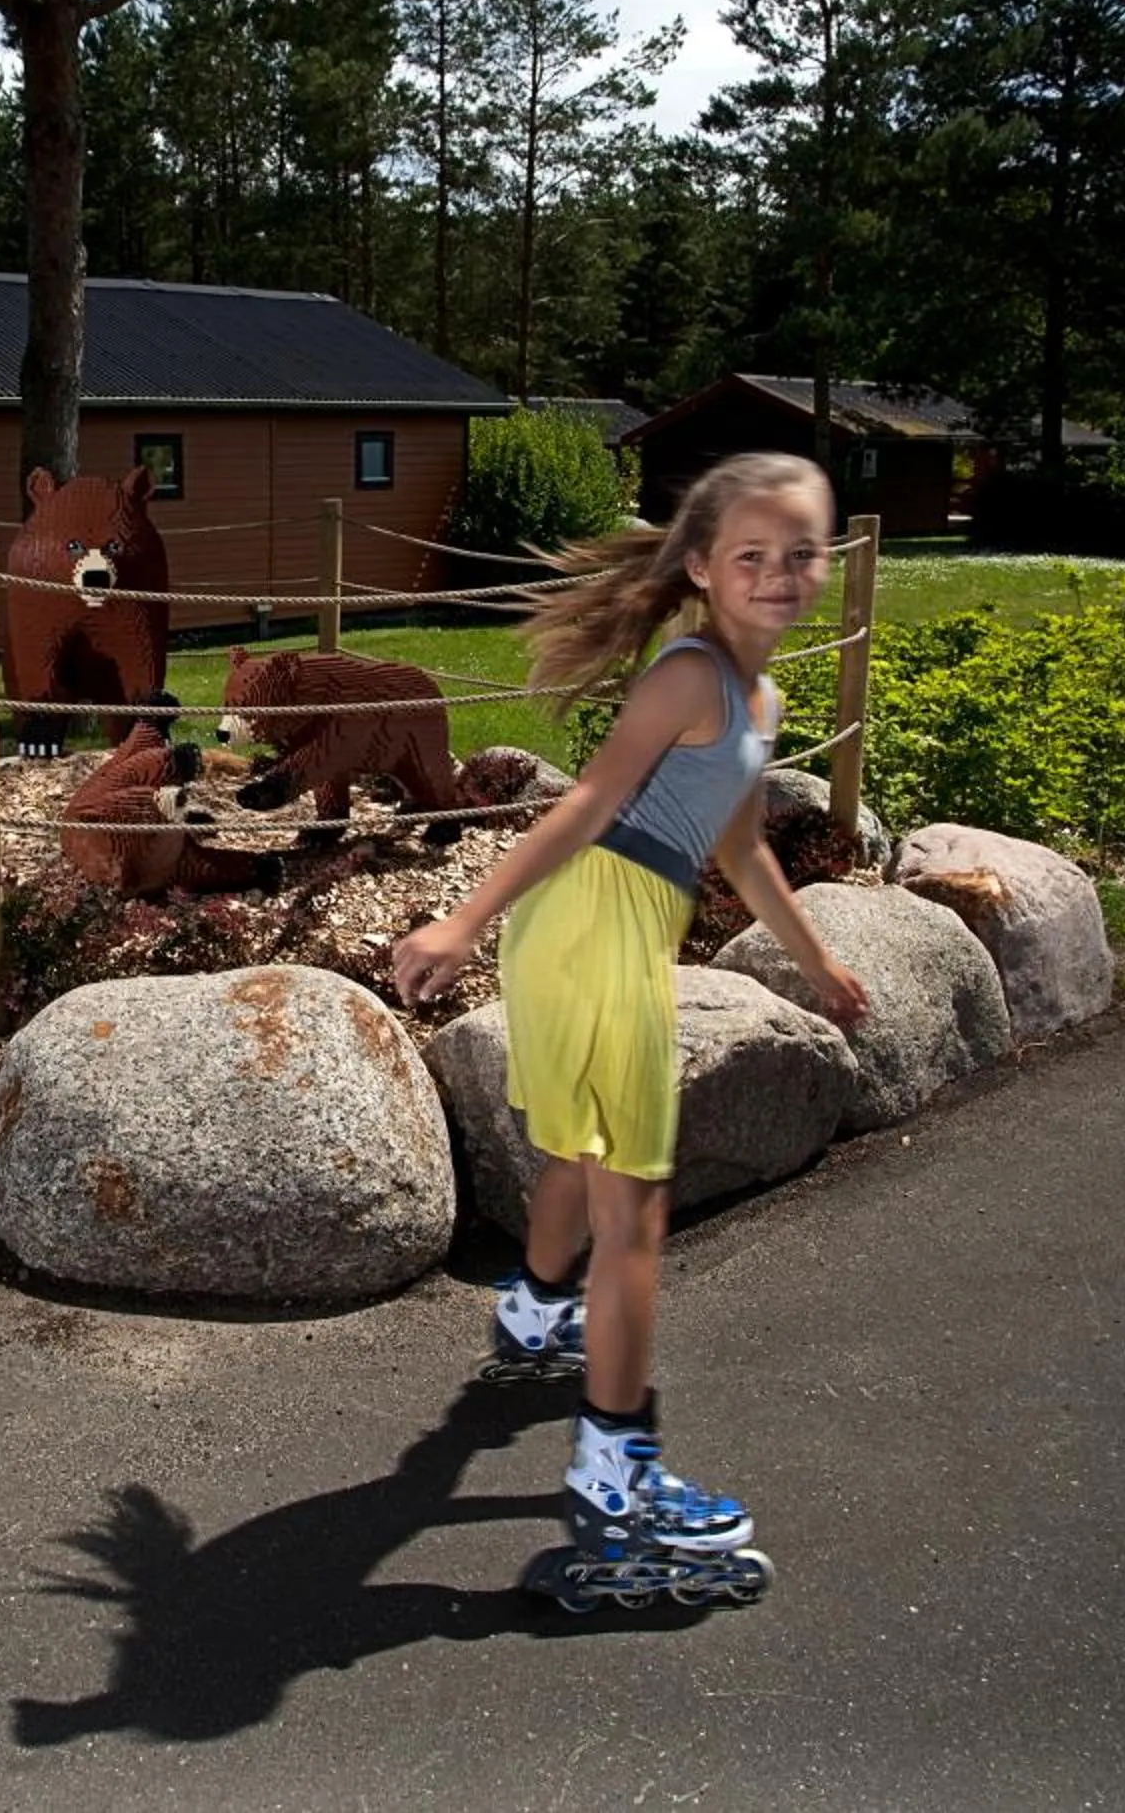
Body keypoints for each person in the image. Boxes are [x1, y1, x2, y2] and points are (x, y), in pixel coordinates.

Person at [388, 451, 870, 1599]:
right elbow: (590, 801)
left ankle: (536, 1306)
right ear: (701, 566)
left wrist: (821, 960)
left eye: (800, 553)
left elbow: (740, 847)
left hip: (605, 927)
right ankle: (619, 1484)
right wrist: (460, 922)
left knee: (583, 1144)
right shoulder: (689, 679)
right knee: (638, 1218)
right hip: (596, 926)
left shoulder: (760, 698)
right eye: (751, 554)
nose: (780, 574)